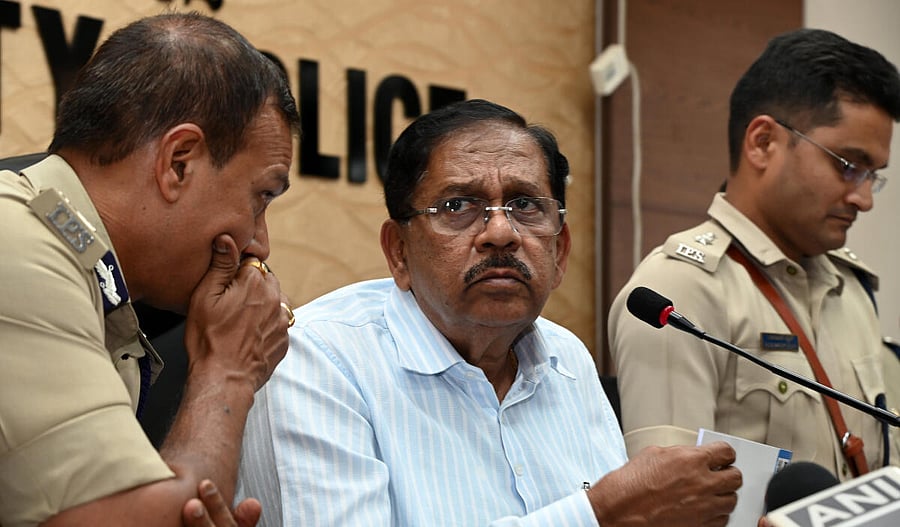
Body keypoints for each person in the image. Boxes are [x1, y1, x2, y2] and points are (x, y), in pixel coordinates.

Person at [237, 99, 742, 526]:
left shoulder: (566, 358)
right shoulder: (318, 359)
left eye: (525, 205)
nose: (501, 233)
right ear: (398, 253)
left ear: (560, 251)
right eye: (458, 206)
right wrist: (600, 514)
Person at [0, 12, 301, 527]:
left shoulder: (79, 260)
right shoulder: (16, 240)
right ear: (178, 162)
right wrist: (228, 370)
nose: (260, 244)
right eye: (261, 196)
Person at [609, 28, 900, 481]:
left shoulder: (852, 288)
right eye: (848, 166)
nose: (864, 200)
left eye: (872, 175)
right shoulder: (680, 291)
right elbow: (669, 502)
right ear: (763, 142)